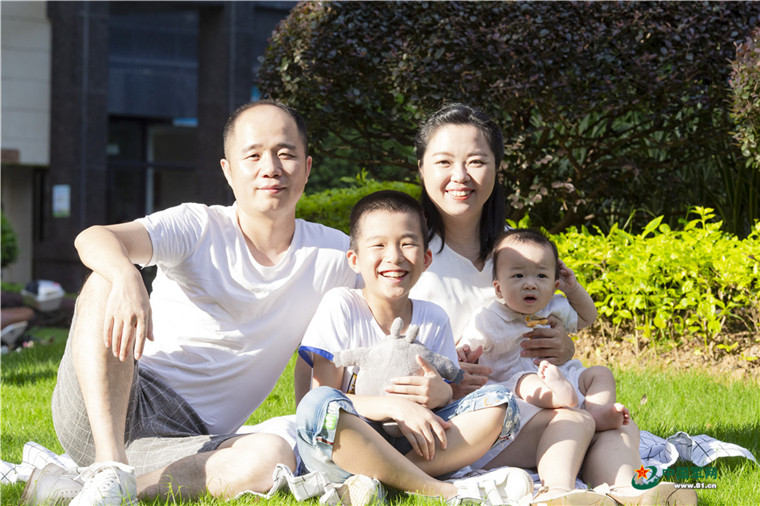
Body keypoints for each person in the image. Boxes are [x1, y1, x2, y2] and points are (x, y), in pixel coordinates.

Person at [27, 101, 358, 505]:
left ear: (306, 168)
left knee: (271, 456)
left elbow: (395, 292)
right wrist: (127, 275)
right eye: (253, 155)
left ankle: (99, 487)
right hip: (114, 397)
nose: (270, 168)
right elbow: (93, 237)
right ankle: (108, 465)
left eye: (285, 153)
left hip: (191, 440)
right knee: (103, 281)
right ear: (228, 171)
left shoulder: (334, 254)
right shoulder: (198, 226)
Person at [409, 103, 697, 505]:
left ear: (496, 168)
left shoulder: (518, 247)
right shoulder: (407, 255)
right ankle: (560, 493)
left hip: (531, 396)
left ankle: (631, 493)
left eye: (476, 161)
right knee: (576, 419)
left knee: (613, 423)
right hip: (468, 417)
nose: (460, 176)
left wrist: (563, 345)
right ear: (421, 169)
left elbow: (551, 314)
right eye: (443, 162)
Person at [295, 190, 546, 504]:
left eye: (407, 243)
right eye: (378, 245)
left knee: (499, 401)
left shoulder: (434, 317)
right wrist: (394, 407)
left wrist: (442, 393)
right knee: (315, 404)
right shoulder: (341, 305)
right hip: (347, 445)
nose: (394, 256)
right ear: (355, 260)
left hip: (414, 445)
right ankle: (442, 490)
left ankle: (389, 480)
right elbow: (326, 396)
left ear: (426, 258)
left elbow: (446, 399)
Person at [461, 228, 630, 432]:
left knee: (600, 373)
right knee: (528, 382)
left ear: (554, 286)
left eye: (541, 275)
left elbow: (588, 318)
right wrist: (463, 352)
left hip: (562, 374)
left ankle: (597, 411)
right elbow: (467, 348)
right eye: (518, 275)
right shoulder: (489, 317)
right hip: (516, 382)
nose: (530, 284)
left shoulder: (555, 307)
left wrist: (572, 288)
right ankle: (560, 399)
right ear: (498, 288)